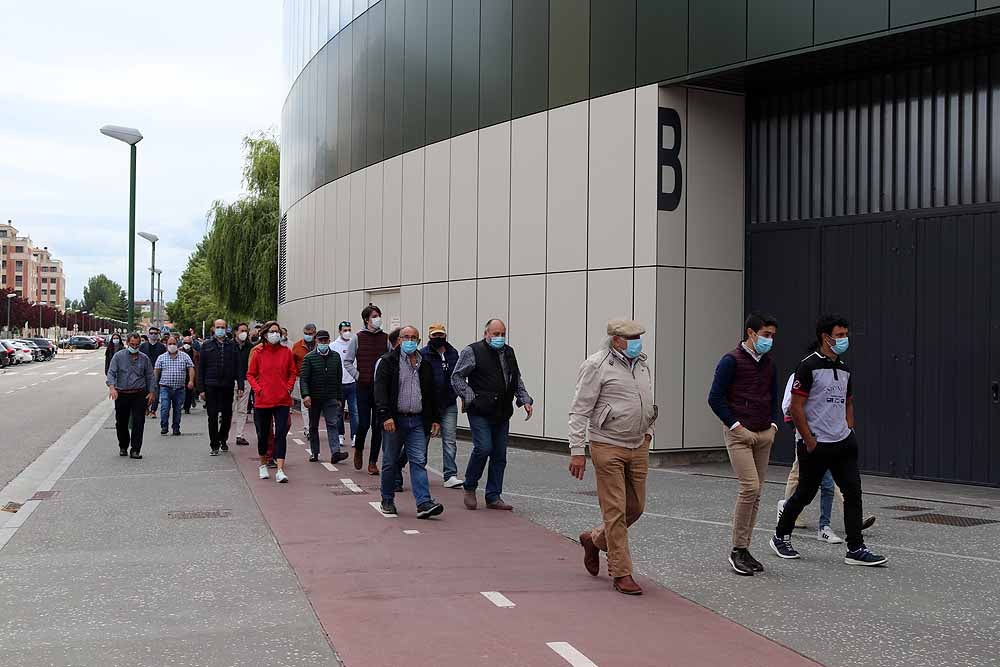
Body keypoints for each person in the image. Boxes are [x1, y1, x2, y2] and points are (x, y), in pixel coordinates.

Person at [770, 315, 887, 567]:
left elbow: (849, 401)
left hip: (843, 443)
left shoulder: (844, 368)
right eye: (840, 335)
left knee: (853, 491)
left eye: (846, 334)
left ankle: (855, 548)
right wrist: (809, 439)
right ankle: (780, 536)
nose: (844, 339)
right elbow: (796, 408)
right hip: (816, 443)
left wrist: (849, 429)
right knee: (805, 493)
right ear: (826, 337)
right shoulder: (808, 367)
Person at [569, 320, 656, 595]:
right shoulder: (596, 365)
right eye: (631, 338)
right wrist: (577, 450)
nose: (637, 342)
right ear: (616, 340)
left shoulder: (642, 363)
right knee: (615, 510)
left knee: (636, 507)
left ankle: (593, 540)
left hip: (638, 444)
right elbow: (580, 409)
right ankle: (622, 572)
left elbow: (647, 400)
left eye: (639, 337)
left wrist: (649, 431)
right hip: (607, 444)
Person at [707, 312, 782, 577]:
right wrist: (736, 426)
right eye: (765, 335)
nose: (769, 340)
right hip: (740, 433)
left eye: (772, 336)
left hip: (763, 433)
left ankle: (745, 548)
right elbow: (715, 398)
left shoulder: (769, 363)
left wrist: (773, 425)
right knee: (749, 487)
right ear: (751, 333)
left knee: (757, 491)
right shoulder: (731, 361)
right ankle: (737, 549)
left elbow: (773, 397)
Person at [452, 318, 533, 511]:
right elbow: (457, 377)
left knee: (499, 455)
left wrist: (525, 400)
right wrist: (469, 396)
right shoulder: (472, 351)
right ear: (486, 334)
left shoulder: (509, 352)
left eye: (503, 334)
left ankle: (493, 496)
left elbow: (516, 378)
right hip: (480, 410)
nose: (500, 338)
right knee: (483, 448)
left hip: (502, 411)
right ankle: (470, 486)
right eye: (496, 334)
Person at [374, 325, 444, 519]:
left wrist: (435, 419)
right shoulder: (388, 362)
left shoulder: (425, 364)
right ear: (399, 340)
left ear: (419, 341)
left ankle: (423, 503)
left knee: (418, 461)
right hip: (394, 421)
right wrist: (385, 415)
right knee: (389, 461)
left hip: (417, 421)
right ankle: (387, 499)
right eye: (406, 337)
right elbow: (380, 391)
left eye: (414, 338)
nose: (410, 341)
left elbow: (431, 395)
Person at [246, 320, 297, 483]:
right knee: (263, 434)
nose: (275, 334)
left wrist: (288, 388)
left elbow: (292, 372)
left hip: (282, 399)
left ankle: (280, 469)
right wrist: (258, 389)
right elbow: (250, 374)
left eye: (278, 332)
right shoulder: (258, 352)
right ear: (265, 334)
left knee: (281, 433)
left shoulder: (286, 352)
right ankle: (262, 465)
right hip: (263, 400)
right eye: (272, 331)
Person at [343, 305, 391, 474]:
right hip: (363, 386)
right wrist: (357, 375)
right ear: (366, 319)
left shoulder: (386, 338)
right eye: (374, 316)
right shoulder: (357, 338)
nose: (378, 318)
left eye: (379, 315)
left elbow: (392, 358)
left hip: (380, 389)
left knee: (378, 425)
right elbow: (347, 361)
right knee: (363, 423)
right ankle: (358, 449)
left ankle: (372, 462)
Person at [420, 323, 463, 489]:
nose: (438, 338)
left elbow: (458, 376)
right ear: (430, 336)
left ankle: (450, 474)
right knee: (423, 440)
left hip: (449, 403)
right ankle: (419, 471)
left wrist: (461, 396)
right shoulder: (423, 354)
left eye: (441, 335)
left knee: (450, 440)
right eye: (435, 335)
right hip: (429, 405)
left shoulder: (453, 353)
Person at [198, 319, 245, 455]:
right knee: (212, 415)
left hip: (227, 385)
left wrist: (240, 385)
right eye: (218, 327)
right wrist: (201, 389)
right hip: (211, 385)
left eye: (223, 327)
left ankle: (223, 438)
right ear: (213, 328)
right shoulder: (206, 345)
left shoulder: (232, 345)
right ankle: (214, 444)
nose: (220, 330)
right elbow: (201, 368)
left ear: (226, 329)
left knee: (227, 415)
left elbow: (238, 367)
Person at [300, 329, 348, 464]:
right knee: (313, 425)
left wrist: (339, 397)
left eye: (325, 340)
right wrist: (306, 395)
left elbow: (339, 378)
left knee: (332, 423)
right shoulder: (309, 358)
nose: (323, 342)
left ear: (329, 341)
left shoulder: (336, 357)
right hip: (314, 397)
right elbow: (304, 379)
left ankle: (335, 452)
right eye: (320, 340)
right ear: (316, 341)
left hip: (330, 396)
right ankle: (315, 452)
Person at [106, 332, 156, 459]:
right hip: (122, 393)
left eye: (137, 344)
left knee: (139, 422)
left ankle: (135, 449)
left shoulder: (144, 358)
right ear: (127, 343)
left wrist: (151, 392)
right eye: (132, 344)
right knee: (121, 422)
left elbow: (150, 375)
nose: (134, 346)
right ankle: (123, 445)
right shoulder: (118, 356)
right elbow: (111, 373)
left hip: (139, 394)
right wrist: (112, 388)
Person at [154, 335, 195, 436]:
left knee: (177, 409)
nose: (172, 346)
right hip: (165, 387)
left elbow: (191, 368)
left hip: (179, 388)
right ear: (166, 345)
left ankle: (176, 427)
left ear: (178, 344)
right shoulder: (161, 357)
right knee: (164, 407)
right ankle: (164, 426)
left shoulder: (185, 356)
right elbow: (156, 371)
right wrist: (153, 384)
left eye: (174, 344)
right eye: (170, 344)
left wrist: (191, 381)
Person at [331, 321, 359, 449]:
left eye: (349, 329)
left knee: (355, 411)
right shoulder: (333, 346)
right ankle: (340, 435)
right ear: (340, 331)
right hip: (339, 384)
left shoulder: (354, 344)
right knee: (338, 412)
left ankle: (355, 436)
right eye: (344, 330)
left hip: (353, 383)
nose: (347, 332)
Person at [292, 322, 318, 437]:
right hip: (302, 378)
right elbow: (292, 363)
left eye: (310, 333)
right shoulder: (297, 346)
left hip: (317, 378)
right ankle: (308, 429)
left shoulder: (320, 344)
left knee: (316, 404)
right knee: (305, 404)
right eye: (306, 333)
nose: (308, 335)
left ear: (314, 333)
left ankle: (314, 426)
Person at [232, 323, 254, 446]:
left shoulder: (250, 347)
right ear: (236, 332)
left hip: (246, 380)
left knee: (242, 409)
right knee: (229, 409)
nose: (244, 333)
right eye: (241, 330)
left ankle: (239, 435)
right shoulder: (230, 346)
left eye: (246, 330)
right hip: (231, 380)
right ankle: (224, 435)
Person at [140, 327, 166, 419]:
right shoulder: (143, 346)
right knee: (145, 391)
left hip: (157, 372)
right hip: (145, 372)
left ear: (158, 335)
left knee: (155, 391)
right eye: (151, 333)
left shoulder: (162, 347)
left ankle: (153, 410)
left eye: (155, 333)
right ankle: (146, 407)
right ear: (148, 334)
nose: (153, 335)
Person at [181, 336, 199, 413]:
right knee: (180, 391)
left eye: (188, 343)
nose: (187, 344)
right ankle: (181, 404)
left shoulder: (195, 353)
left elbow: (197, 365)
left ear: (191, 344)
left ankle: (187, 407)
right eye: (185, 343)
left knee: (189, 391)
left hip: (191, 374)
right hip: (181, 373)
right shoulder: (179, 351)